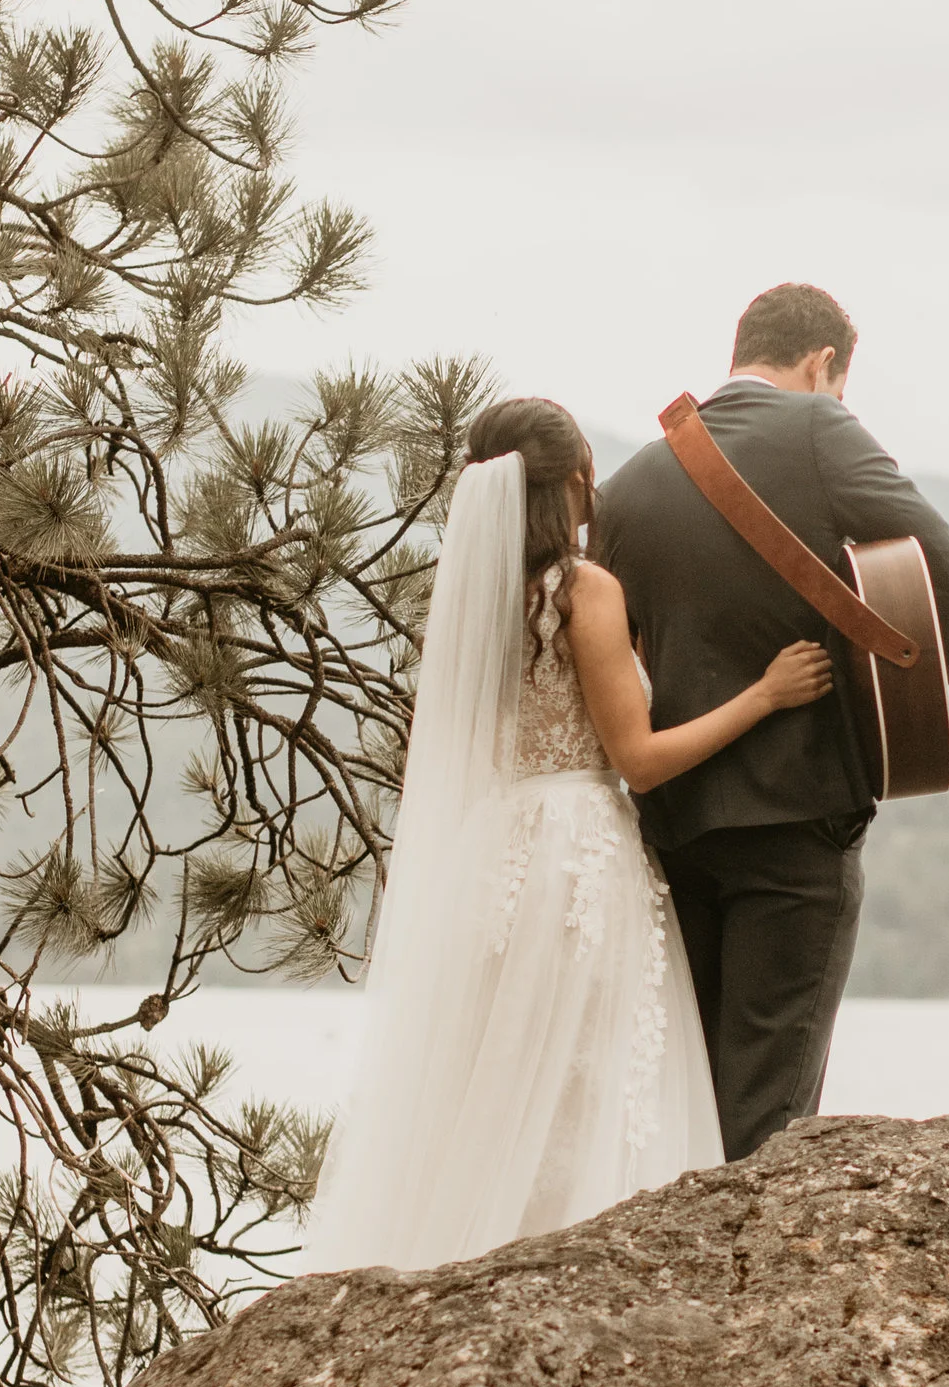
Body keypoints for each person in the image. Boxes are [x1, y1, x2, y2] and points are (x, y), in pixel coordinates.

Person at [295, 395, 833, 1271]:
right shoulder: (584, 590)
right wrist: (765, 695)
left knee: (501, 1079)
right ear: (577, 475)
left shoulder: (478, 596)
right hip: (577, 852)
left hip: (496, 854)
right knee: (588, 1081)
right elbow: (641, 758)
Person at [597, 283, 949, 1164]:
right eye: (840, 385)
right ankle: (740, 1298)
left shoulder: (628, 485)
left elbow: (608, 657)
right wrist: (893, 717)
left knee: (685, 1093)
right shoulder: (819, 429)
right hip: (798, 819)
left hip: (674, 829)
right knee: (769, 1115)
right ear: (822, 366)